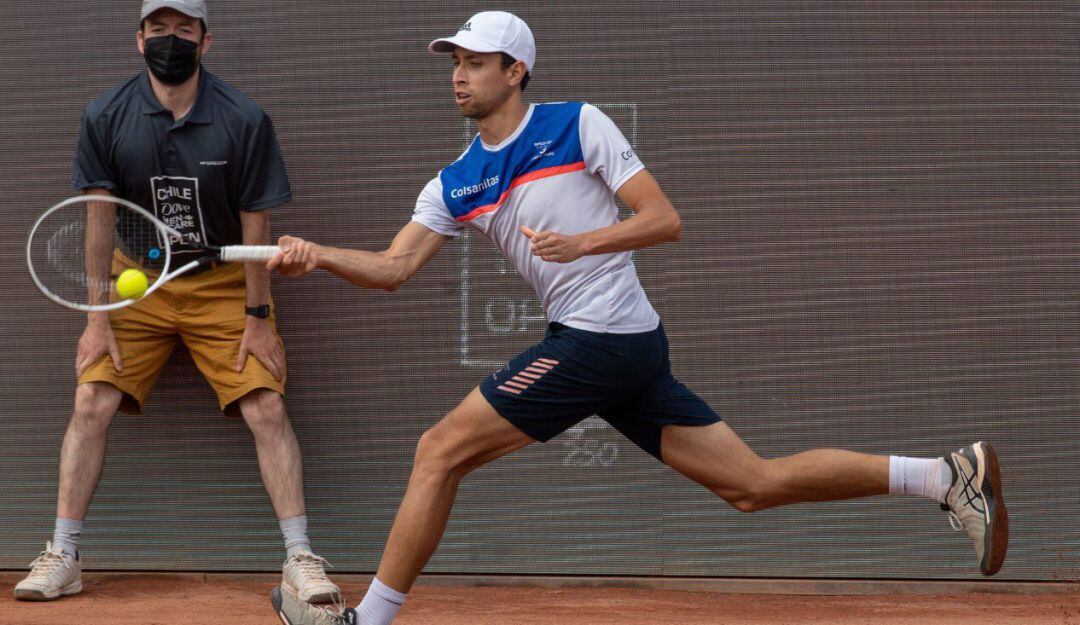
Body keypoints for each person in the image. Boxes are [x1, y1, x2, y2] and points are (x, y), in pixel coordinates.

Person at [263, 11, 1008, 625]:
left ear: (514, 70)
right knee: (752, 483)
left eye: (475, 61)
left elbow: (663, 217)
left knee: (438, 449)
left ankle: (367, 621)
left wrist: (584, 241)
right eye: (453, 61)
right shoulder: (455, 181)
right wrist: (317, 253)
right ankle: (946, 476)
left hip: (603, 337)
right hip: (622, 350)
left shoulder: (577, 124)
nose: (458, 73)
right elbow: (394, 267)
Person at [14, 0, 338, 606]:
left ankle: (301, 558)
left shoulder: (242, 117)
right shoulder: (106, 115)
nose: (170, 39)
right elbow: (98, 220)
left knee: (266, 405)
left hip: (221, 283)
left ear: (205, 41)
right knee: (91, 398)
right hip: (135, 281)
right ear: (139, 40)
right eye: (158, 29)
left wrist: (257, 317)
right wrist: (97, 316)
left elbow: (256, 226)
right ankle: (63, 553)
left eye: (183, 30)